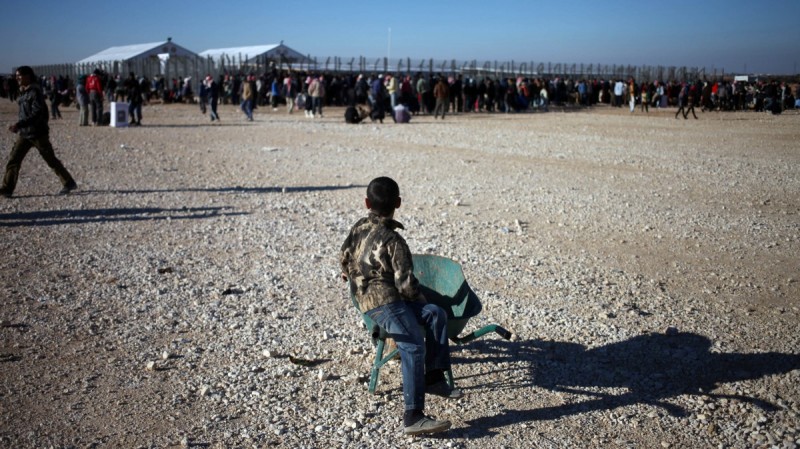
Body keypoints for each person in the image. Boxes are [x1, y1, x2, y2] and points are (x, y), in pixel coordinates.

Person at [340, 177, 461, 436]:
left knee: (435, 315)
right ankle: (413, 416)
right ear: (398, 203)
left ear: (366, 203)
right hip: (385, 304)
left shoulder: (357, 227)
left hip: (366, 301)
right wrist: (420, 300)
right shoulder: (394, 241)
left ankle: (434, 377)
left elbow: (344, 259)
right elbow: (406, 286)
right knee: (414, 344)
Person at [1, 66, 77, 198]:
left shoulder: (35, 92)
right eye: (16, 75)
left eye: (19, 75)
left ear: (27, 76)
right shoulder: (24, 92)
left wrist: (19, 124)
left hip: (37, 134)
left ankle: (69, 182)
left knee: (50, 160)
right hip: (25, 134)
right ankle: (7, 189)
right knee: (14, 159)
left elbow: (37, 113)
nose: (17, 78)